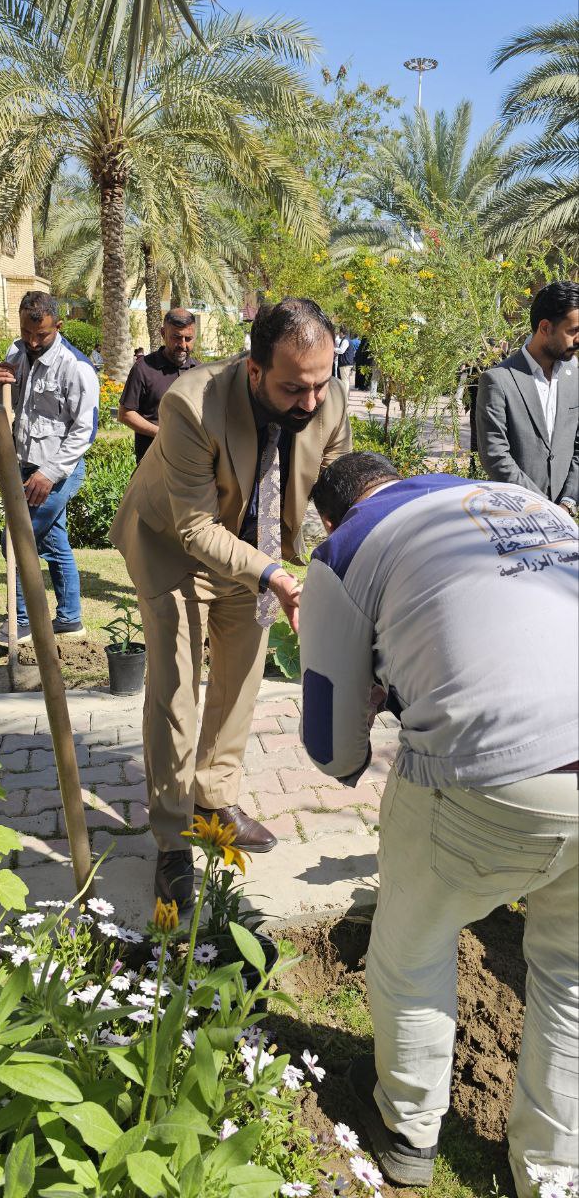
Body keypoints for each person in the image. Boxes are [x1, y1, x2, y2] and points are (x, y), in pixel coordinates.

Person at [299, 451, 578, 1196]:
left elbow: (332, 750)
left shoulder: (348, 545)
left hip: (491, 776)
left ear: (331, 515)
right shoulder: (529, 504)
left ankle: (408, 1129)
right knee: (571, 973)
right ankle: (552, 1174)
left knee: (412, 943)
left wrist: (368, 702)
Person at [110, 297, 351, 908]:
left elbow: (336, 484)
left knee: (242, 676)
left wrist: (347, 549)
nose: (311, 401)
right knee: (176, 690)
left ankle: (213, 801)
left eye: (320, 384)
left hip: (255, 547)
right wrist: (272, 576)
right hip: (172, 545)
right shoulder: (190, 404)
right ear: (254, 369)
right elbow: (195, 529)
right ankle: (172, 838)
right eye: (293, 388)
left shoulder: (327, 395)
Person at [0, 291, 99, 648]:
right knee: (55, 541)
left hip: (57, 473)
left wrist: (49, 473)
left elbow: (85, 431)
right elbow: (9, 402)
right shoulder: (16, 353)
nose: (33, 342)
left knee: (16, 540)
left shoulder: (76, 367)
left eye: (42, 335)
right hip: (24, 466)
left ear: (58, 326)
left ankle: (21, 622)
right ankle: (69, 619)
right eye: (26, 332)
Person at [476, 281, 579, 512]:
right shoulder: (498, 380)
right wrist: (544, 507)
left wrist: (567, 502)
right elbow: (495, 456)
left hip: (564, 516)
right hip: (515, 515)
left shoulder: (575, 377)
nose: (578, 339)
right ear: (545, 328)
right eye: (573, 331)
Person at [118, 310, 198, 463]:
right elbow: (125, 414)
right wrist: (164, 434)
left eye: (188, 339)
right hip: (153, 464)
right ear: (163, 333)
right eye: (176, 337)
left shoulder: (199, 371)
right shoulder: (143, 368)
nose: (183, 345)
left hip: (190, 464)